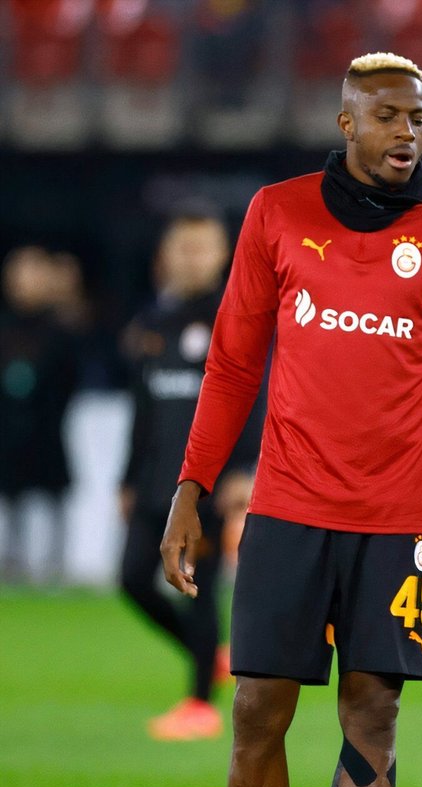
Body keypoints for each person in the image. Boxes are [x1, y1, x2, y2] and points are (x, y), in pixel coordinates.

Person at [159, 52, 422, 787]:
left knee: (374, 716)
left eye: (419, 119)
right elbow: (232, 366)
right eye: (387, 116)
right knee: (257, 712)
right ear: (347, 123)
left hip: (401, 524)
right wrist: (191, 488)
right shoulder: (277, 211)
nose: (406, 132)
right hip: (287, 511)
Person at [120, 210, 260, 741]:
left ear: (223, 254)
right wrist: (128, 477)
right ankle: (209, 656)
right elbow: (143, 407)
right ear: (166, 254)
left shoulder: (236, 315)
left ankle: (200, 704)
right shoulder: (152, 321)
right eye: (184, 247)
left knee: (197, 587)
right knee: (132, 580)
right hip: (156, 478)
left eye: (203, 248)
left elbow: (256, 397)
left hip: (207, 482)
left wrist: (243, 467)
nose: (193, 258)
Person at [0, 245, 81, 584]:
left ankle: (55, 566)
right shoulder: (5, 327)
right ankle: (11, 563)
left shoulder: (61, 329)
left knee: (53, 496)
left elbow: (72, 378)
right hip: (8, 429)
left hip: (47, 428)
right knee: (11, 497)